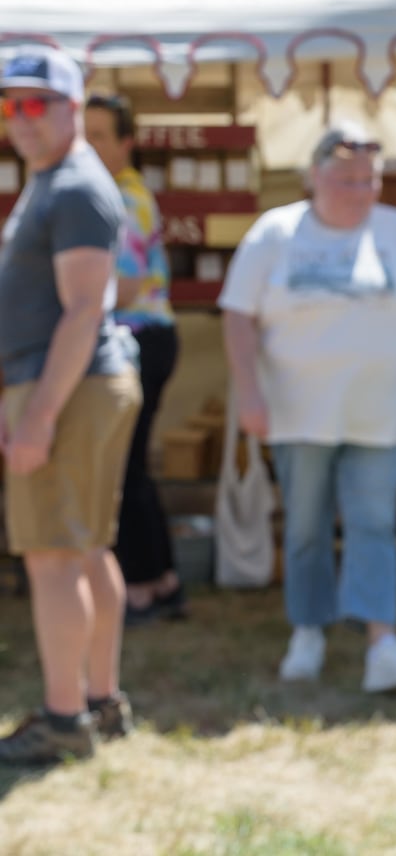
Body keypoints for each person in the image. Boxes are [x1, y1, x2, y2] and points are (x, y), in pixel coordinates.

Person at [218, 120, 396, 692]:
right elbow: (237, 315)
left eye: (368, 180)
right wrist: (248, 392)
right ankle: (308, 632)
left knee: (373, 523)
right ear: (313, 177)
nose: (359, 191)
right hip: (296, 414)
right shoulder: (275, 232)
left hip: (381, 414)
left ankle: (382, 644)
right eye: (346, 179)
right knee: (304, 526)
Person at [0, 49, 143, 764]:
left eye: (36, 104)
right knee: (84, 549)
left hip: (68, 386)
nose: (20, 120)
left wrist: (37, 415)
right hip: (77, 384)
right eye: (10, 105)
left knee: (54, 556)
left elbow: (84, 308)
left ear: (72, 108)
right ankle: (98, 702)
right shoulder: (56, 179)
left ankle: (63, 722)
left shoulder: (75, 187)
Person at [83, 93, 185, 625]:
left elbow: (120, 289)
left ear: (127, 142)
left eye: (100, 134)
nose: (89, 145)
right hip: (145, 337)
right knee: (133, 464)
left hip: (137, 338)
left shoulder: (120, 198)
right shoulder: (115, 192)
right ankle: (163, 580)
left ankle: (142, 588)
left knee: (125, 466)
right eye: (84, 133)